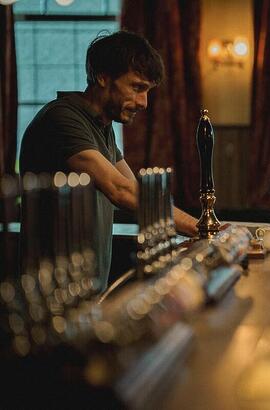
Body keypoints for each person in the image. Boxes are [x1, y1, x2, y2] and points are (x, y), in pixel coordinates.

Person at [19, 31, 198, 290]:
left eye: (147, 91)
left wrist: (199, 224)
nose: (144, 103)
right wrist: (199, 227)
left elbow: (136, 188)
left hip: (86, 288)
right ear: (102, 76)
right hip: (52, 294)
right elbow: (121, 190)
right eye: (137, 87)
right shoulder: (62, 119)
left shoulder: (101, 126)